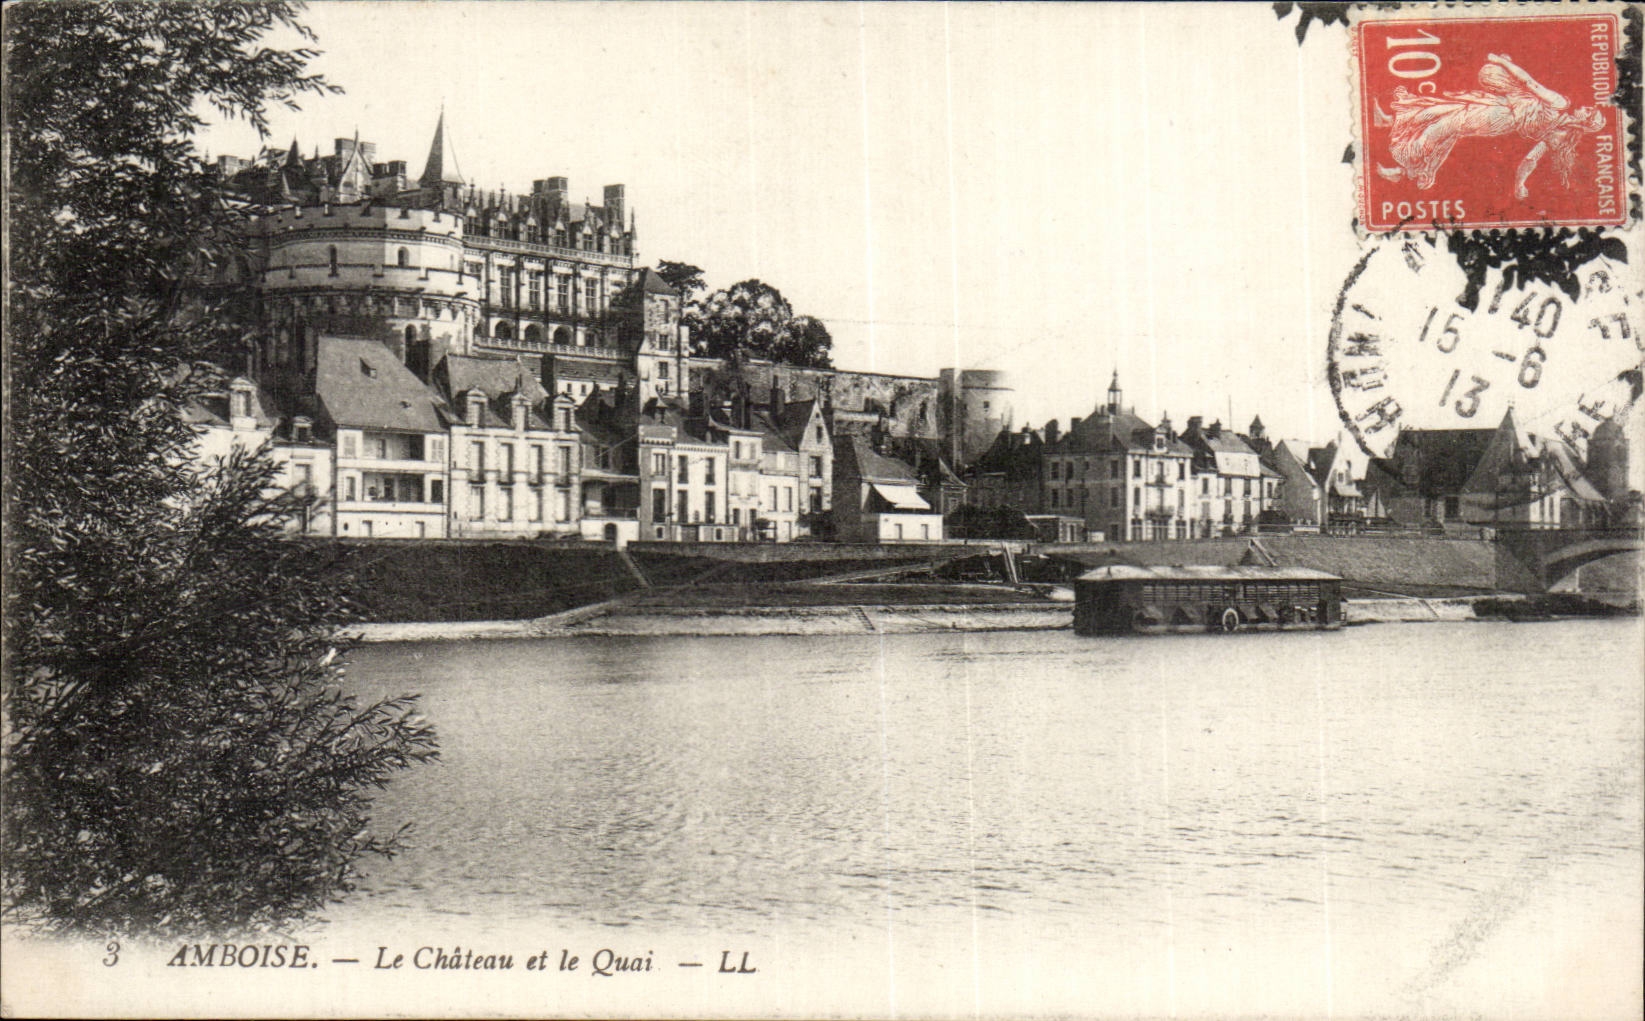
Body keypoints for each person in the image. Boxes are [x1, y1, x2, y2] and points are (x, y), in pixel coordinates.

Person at [1374, 53, 1605, 201]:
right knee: (1444, 109)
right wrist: (1520, 183)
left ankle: (1403, 166)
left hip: (1499, 115)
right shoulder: (1559, 129)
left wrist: (1501, 61)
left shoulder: (1560, 108)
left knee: (1445, 125)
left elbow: (1529, 83)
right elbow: (1531, 158)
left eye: (1589, 112)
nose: (1586, 108)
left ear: (1586, 122)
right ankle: (1389, 123)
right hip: (1498, 108)